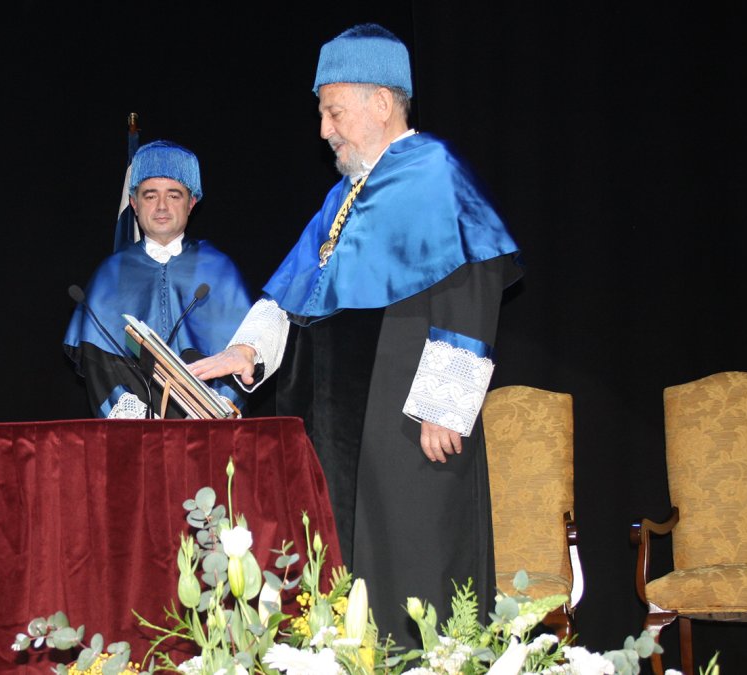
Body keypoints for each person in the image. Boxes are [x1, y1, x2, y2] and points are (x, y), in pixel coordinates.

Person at [188, 24, 522, 647]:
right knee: (347, 568)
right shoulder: (343, 198)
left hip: (409, 416)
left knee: (414, 566)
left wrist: (445, 406)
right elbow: (293, 293)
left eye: (333, 111)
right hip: (338, 427)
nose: (324, 130)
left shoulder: (434, 172)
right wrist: (247, 350)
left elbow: (472, 279)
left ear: (382, 102)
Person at [64, 140, 252, 418]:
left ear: (191, 202)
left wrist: (215, 413)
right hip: (133, 436)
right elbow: (97, 363)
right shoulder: (110, 275)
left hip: (209, 432)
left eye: (174, 195)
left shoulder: (220, 271)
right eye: (150, 195)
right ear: (133, 203)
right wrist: (136, 420)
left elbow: (242, 355)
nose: (162, 206)